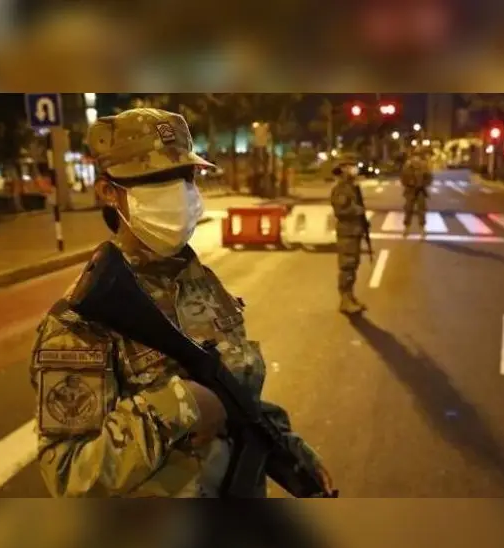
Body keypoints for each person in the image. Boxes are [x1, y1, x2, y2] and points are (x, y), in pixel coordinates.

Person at [29, 107, 334, 498]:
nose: (177, 192)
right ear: (107, 191)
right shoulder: (79, 322)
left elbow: (235, 394)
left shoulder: (202, 284)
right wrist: (178, 406)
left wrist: (287, 446)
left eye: (184, 176)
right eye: (155, 179)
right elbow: (68, 475)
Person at [329, 159, 368, 314]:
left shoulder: (352, 188)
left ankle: (350, 296)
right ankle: (344, 300)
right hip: (347, 232)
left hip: (354, 231)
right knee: (347, 266)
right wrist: (357, 211)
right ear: (344, 169)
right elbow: (340, 211)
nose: (354, 169)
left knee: (353, 266)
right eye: (351, 166)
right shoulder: (341, 189)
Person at [400, 151, 433, 238]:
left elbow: (429, 178)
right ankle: (406, 228)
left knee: (421, 210)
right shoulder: (407, 166)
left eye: (417, 157)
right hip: (410, 191)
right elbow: (403, 178)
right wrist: (409, 183)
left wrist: (423, 184)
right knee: (408, 209)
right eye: (414, 157)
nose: (416, 159)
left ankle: (422, 229)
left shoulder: (424, 166)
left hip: (420, 191)